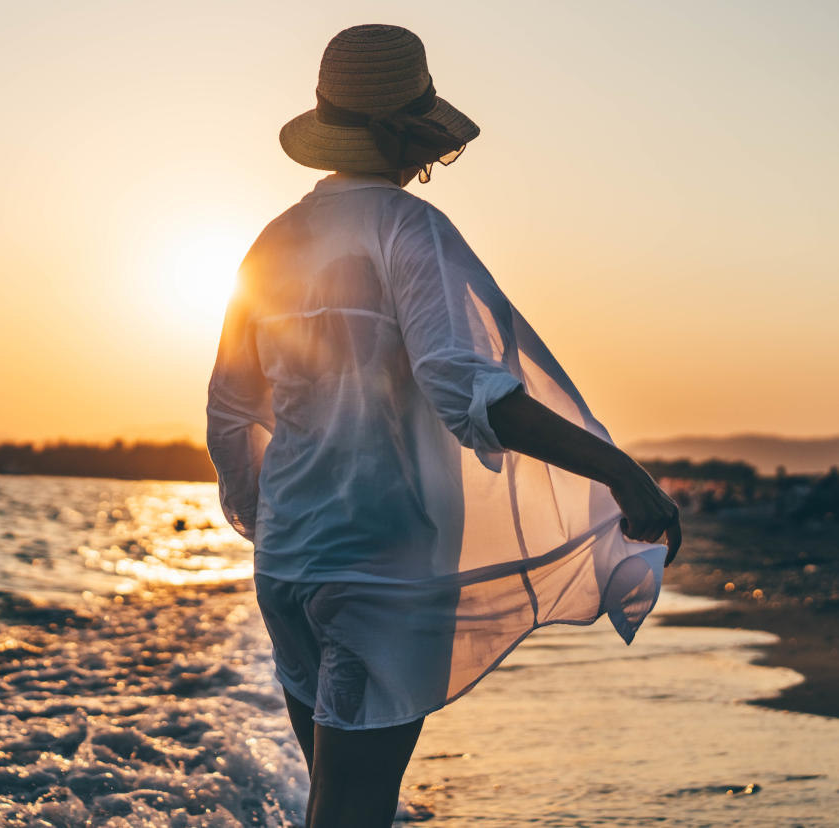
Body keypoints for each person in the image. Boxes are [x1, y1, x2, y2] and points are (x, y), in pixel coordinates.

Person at [206, 24, 682, 828]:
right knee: (354, 808)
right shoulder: (407, 226)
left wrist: (269, 526)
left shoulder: (272, 241)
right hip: (378, 569)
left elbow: (228, 412)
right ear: (403, 129)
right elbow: (471, 391)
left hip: (288, 567)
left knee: (333, 798)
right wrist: (620, 471)